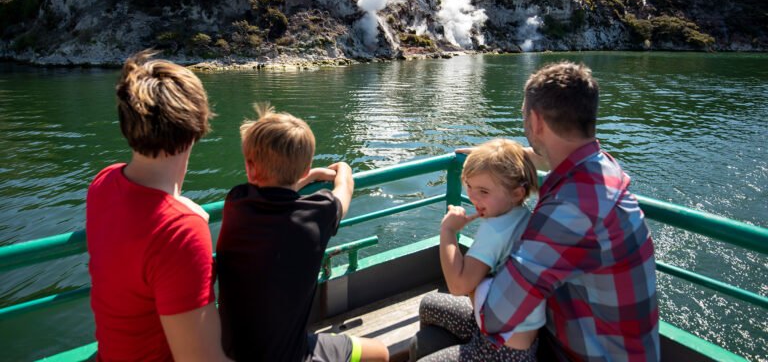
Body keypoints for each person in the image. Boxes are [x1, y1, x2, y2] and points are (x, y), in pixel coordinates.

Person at [414, 61, 660, 362]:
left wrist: (477, 279)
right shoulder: (601, 167)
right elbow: (548, 157)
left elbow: (495, 317)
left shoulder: (570, 212)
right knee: (431, 311)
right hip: (599, 341)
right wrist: (496, 159)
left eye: (524, 117)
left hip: (578, 353)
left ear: (536, 120)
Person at [86, 50, 230, 361]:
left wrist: (180, 208)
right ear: (197, 126)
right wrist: (183, 218)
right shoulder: (181, 232)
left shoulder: (103, 183)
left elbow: (141, 217)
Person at [216, 103, 389, 362]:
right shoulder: (319, 212)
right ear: (305, 169)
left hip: (231, 352)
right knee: (381, 353)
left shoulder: (236, 202)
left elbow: (272, 190)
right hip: (291, 356)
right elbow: (345, 188)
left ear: (250, 168)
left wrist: (304, 178)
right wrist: (343, 169)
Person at [416, 138, 546, 362]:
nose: (473, 197)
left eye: (484, 191)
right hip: (513, 336)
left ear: (517, 193)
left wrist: (448, 230)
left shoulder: (495, 230)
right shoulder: (520, 213)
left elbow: (458, 286)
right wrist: (489, 160)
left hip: (500, 351)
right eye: (469, 186)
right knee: (429, 305)